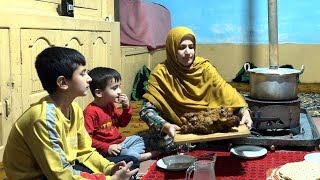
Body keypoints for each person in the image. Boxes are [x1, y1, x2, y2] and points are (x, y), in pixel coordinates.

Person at [3, 47, 139, 180]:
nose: (89, 79)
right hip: (42, 176)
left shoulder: (74, 108)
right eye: (83, 73)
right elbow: (59, 175)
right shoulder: (43, 118)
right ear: (63, 82)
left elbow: (85, 150)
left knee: (129, 162)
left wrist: (109, 168)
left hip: (65, 166)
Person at [140, 26, 253, 153]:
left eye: (191, 47)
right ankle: (197, 144)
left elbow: (229, 94)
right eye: (181, 47)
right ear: (172, 49)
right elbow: (146, 110)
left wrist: (245, 112)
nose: (188, 52)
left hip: (209, 124)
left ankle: (195, 145)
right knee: (165, 141)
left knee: (236, 126)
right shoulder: (161, 73)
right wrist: (166, 126)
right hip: (179, 128)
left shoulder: (204, 68)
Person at [84, 67, 158, 162]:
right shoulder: (90, 112)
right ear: (99, 93)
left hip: (120, 142)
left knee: (143, 137)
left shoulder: (110, 105)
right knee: (126, 153)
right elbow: (87, 140)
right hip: (106, 149)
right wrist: (107, 147)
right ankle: (138, 156)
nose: (119, 91)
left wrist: (126, 108)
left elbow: (123, 123)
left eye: (119, 86)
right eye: (114, 88)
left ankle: (131, 155)